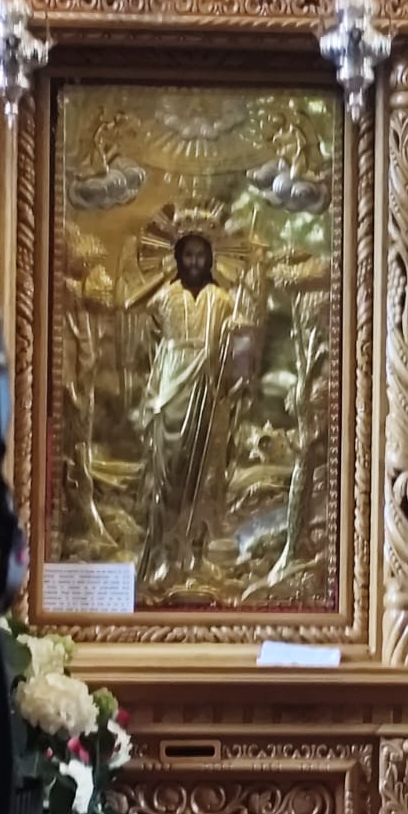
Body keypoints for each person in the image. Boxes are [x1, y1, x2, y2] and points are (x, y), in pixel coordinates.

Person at [130, 227, 255, 595]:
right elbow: (139, 330)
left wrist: (238, 346)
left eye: (201, 255)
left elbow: (240, 352)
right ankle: (163, 555)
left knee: (204, 477)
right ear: (178, 258)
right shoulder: (164, 297)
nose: (195, 262)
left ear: (211, 258)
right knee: (167, 475)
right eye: (188, 254)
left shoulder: (223, 299)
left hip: (208, 390)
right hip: (170, 390)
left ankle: (195, 559)